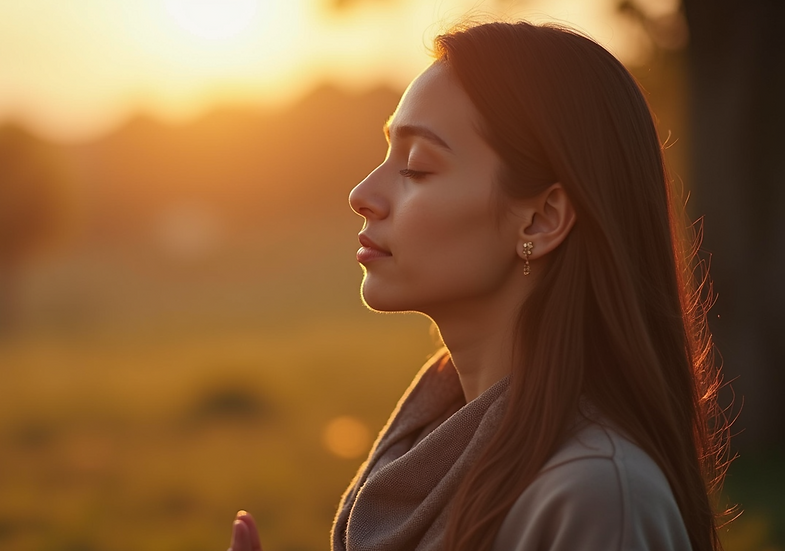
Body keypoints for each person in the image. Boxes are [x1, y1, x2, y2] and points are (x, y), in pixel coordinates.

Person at [227, 20, 728, 551]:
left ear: (540, 219)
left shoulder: (596, 498)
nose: (361, 192)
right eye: (388, 155)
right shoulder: (424, 447)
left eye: (417, 167)